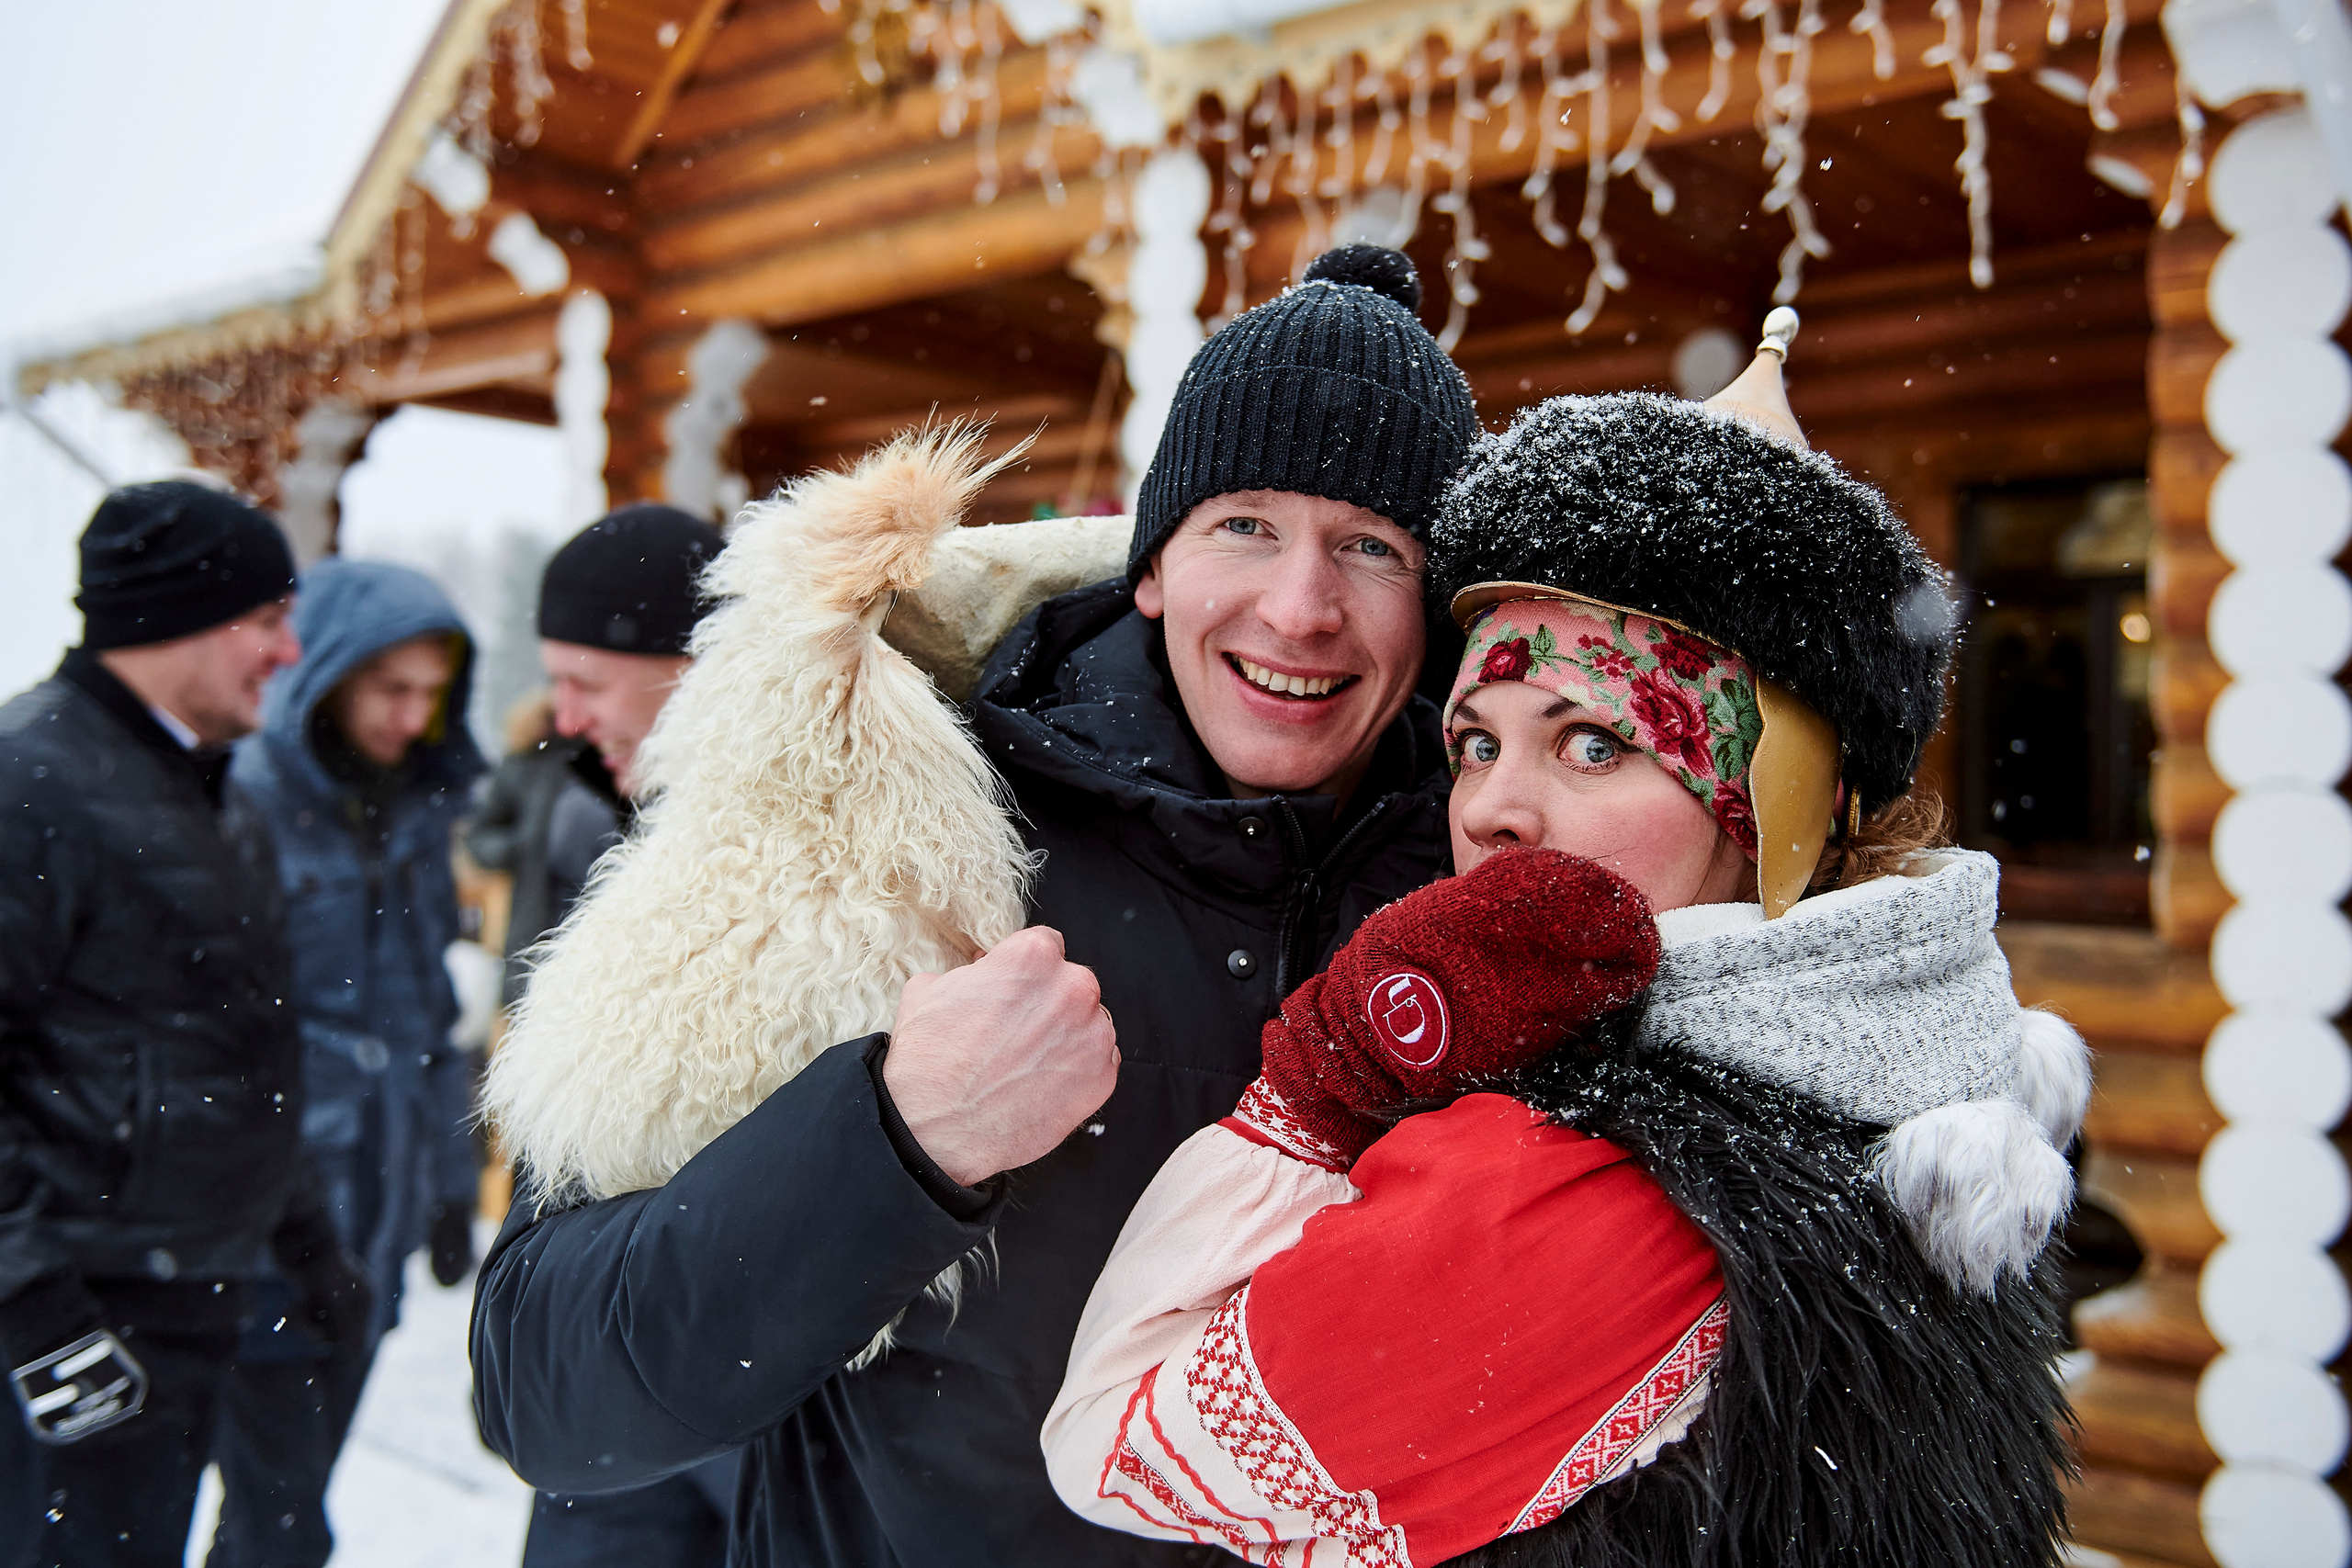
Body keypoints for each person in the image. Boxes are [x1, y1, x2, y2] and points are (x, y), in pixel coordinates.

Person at [470, 243, 1479, 1565]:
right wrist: (895, 1140)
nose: (1300, 609)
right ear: (1153, 563)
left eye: (1371, 547)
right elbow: (543, 1379)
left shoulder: (1498, 884)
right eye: (1244, 525)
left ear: (1434, 611)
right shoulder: (869, 824)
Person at [1043, 319, 2089, 1565]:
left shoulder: (1586, 1182)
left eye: (1594, 743)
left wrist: (1326, 1084)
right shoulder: (1926, 1065)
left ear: (1773, 807)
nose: (1492, 807)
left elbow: (1115, 1434)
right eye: (1477, 740)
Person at [0, 482, 369, 1568]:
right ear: (175, 620)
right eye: (266, 620)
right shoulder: (28, 785)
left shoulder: (217, 794)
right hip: (72, 1322)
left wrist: (308, 1247)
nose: (288, 651)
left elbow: (237, 1048)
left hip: (191, 1302)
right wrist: (38, 1318)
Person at [202, 558, 485, 1568]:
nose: (411, 718)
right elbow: (214, 1038)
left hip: (377, 1216)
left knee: (291, 1504)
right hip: (265, 1231)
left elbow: (427, 1018)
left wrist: (450, 1186)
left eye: (429, 695)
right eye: (390, 688)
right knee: (281, 1522)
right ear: (325, 675)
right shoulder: (240, 803)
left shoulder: (414, 812)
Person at [514, 502, 743, 1568]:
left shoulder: (803, 845)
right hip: (619, 1357)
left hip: (737, 1365)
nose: (565, 716)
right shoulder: (617, 821)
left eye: (587, 682)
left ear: (691, 669)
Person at [463, 693, 585, 1012]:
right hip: (533, 902)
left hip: (592, 893)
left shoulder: (604, 759)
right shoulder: (522, 765)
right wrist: (516, 848)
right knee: (528, 995)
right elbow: (480, 835)